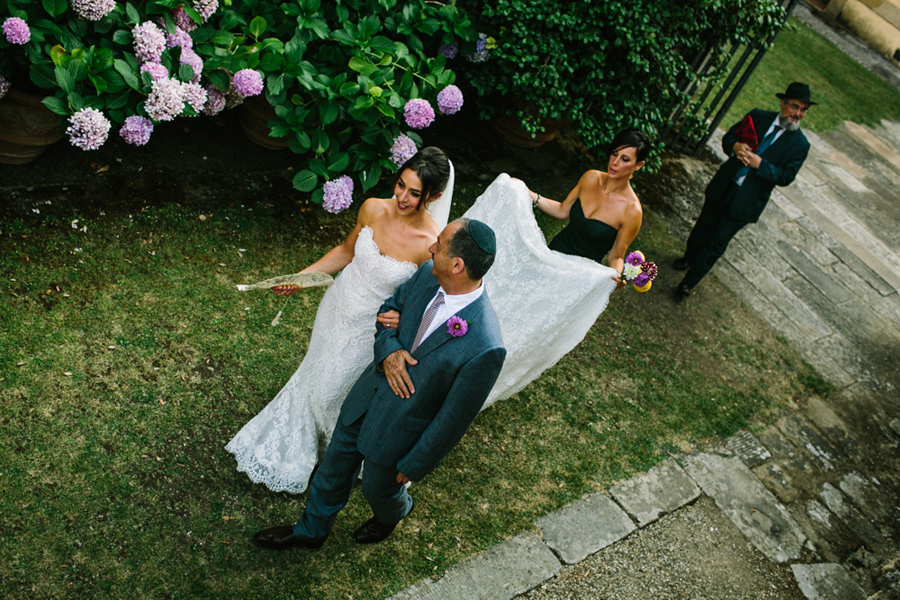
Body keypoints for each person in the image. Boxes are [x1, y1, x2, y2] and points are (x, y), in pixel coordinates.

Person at [253, 219, 506, 549]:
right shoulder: (427, 275)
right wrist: (390, 350)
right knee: (333, 468)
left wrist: (416, 463)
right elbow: (390, 310)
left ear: (457, 265)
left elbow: (453, 418)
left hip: (401, 430)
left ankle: (393, 513)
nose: (431, 249)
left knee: (378, 489)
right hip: (367, 395)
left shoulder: (486, 345)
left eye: (439, 246)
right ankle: (310, 530)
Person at [225, 147, 454, 494]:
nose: (402, 197)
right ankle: (308, 443)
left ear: (434, 197)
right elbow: (347, 251)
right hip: (337, 307)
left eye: (415, 193)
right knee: (315, 372)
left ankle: (338, 451)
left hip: (369, 328)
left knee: (334, 389)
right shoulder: (373, 208)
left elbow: (427, 302)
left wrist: (401, 316)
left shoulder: (429, 244)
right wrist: (302, 277)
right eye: (400, 185)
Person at [460, 129, 649, 406]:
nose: (615, 163)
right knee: (512, 301)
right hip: (552, 255)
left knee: (530, 323)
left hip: (575, 277)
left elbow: (616, 255)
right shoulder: (590, 178)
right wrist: (528, 195)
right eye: (614, 154)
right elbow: (562, 210)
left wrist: (618, 273)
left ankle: (483, 375)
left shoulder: (633, 211)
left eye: (625, 159)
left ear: (638, 166)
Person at [673, 82, 815, 299]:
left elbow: (786, 176)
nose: (798, 114)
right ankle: (688, 258)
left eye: (803, 110)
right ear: (783, 103)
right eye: (794, 107)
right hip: (725, 185)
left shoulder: (800, 145)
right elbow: (728, 138)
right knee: (703, 228)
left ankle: (688, 283)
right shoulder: (757, 117)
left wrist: (762, 166)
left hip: (747, 200)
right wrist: (736, 147)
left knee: (717, 243)